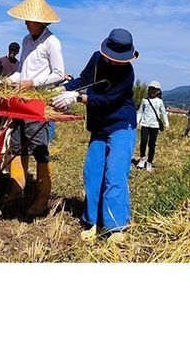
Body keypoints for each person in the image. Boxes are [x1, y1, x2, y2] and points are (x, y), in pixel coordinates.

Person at [52, 28, 139, 242]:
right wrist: (63, 89)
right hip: (100, 125)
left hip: (121, 125)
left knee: (115, 174)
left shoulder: (128, 74)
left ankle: (115, 226)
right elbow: (83, 79)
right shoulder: (97, 58)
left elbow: (107, 100)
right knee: (93, 171)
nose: (118, 62)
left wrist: (78, 99)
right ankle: (92, 220)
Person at [5, 0, 65, 217]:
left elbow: (58, 74)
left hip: (37, 102)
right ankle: (16, 188)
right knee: (17, 144)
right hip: (21, 100)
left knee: (39, 148)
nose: (26, 23)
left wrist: (34, 82)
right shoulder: (26, 41)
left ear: (41, 21)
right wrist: (9, 80)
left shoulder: (52, 42)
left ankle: (42, 198)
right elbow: (22, 70)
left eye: (29, 20)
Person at [136, 81, 169, 171]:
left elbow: (163, 113)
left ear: (158, 91)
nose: (152, 91)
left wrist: (166, 124)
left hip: (155, 126)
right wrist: (137, 122)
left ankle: (149, 162)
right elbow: (140, 112)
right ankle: (142, 158)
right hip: (145, 124)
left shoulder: (159, 101)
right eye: (151, 89)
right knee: (143, 141)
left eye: (155, 89)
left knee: (152, 144)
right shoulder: (144, 100)